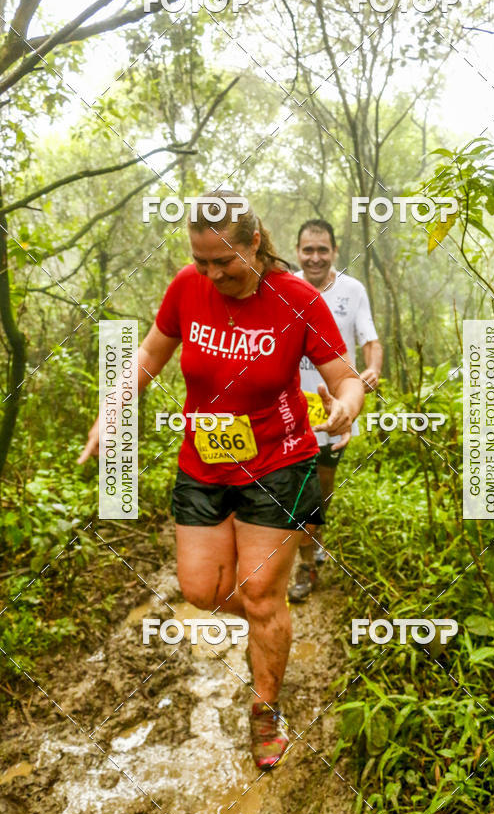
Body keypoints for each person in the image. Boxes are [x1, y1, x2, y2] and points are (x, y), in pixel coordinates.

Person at [78, 193, 365, 771]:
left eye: (224, 263)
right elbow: (147, 357)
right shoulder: (187, 287)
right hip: (203, 462)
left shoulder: (298, 300)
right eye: (201, 261)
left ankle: (266, 708)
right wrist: (109, 413)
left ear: (255, 242)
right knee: (201, 591)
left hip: (277, 462)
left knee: (258, 595)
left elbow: (346, 376)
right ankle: (272, 616)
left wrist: (346, 406)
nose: (212, 274)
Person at [287, 219, 383, 603]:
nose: (314, 257)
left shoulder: (352, 290)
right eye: (307, 250)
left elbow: (370, 339)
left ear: (334, 252)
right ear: (297, 252)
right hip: (288, 408)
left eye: (322, 250)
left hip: (334, 411)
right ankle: (305, 565)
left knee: (321, 488)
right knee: (299, 489)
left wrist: (372, 368)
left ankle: (314, 534)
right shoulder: (281, 286)